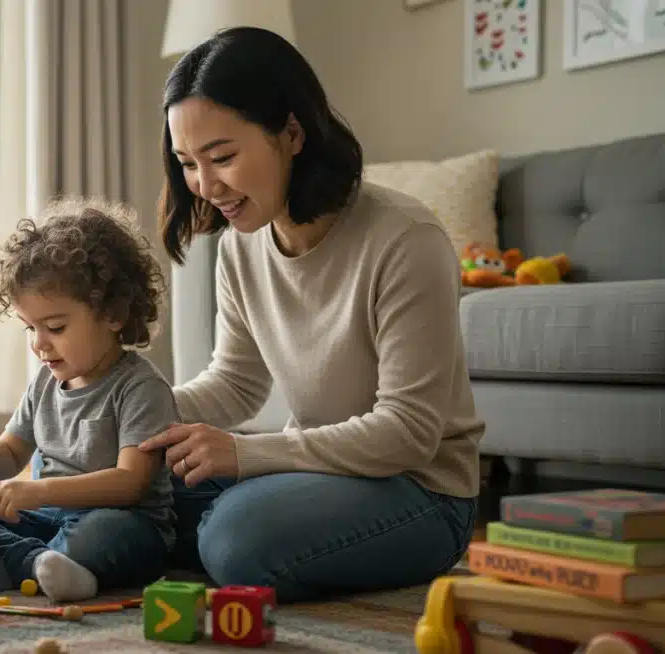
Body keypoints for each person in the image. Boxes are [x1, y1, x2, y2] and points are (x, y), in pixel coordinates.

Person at [138, 26, 483, 604]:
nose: (204, 186)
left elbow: (409, 433)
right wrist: (129, 409)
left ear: (292, 133)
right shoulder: (240, 247)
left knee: (235, 536)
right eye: (187, 163)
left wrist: (245, 454)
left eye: (221, 157)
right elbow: (236, 385)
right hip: (317, 474)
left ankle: (174, 538)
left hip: (421, 493)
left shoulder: (405, 238)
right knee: (109, 465)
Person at [0, 198, 177, 602]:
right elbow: (10, 452)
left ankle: (39, 562)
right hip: (47, 518)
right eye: (30, 328)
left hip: (123, 524)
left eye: (56, 327)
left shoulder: (141, 388)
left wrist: (41, 492)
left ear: (114, 314)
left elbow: (131, 483)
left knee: (100, 536)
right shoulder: (44, 383)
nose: (39, 344)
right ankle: (41, 564)